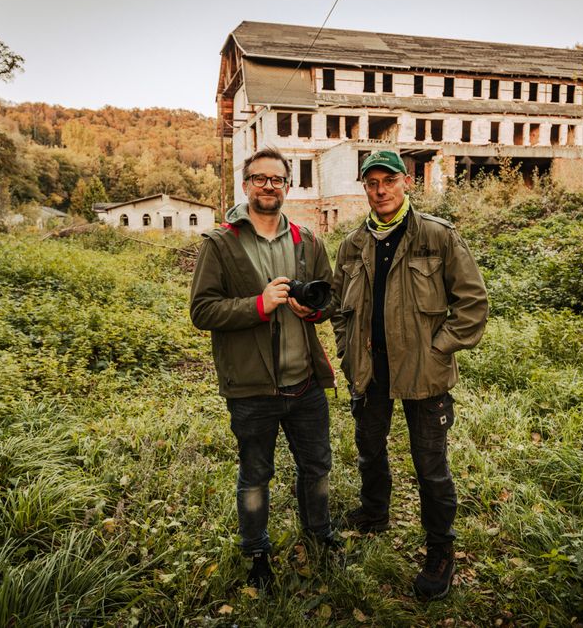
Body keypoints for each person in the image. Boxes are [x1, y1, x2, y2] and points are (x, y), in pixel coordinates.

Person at [331, 150, 488, 601]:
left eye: (388, 180)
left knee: (431, 467)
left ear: (406, 183)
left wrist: (437, 349)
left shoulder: (436, 237)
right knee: (369, 449)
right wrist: (346, 350)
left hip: (425, 372)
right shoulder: (352, 244)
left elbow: (473, 304)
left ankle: (440, 551)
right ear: (364, 187)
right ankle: (374, 512)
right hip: (370, 369)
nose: (379, 190)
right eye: (371, 182)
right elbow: (341, 308)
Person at [190, 147, 338, 590]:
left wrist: (310, 310)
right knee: (255, 474)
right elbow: (202, 310)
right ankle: (256, 552)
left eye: (277, 179)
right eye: (260, 178)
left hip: (305, 383)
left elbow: (327, 299)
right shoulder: (221, 243)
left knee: (317, 467)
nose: (268, 186)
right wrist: (259, 305)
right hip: (252, 388)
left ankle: (320, 536)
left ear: (288, 186)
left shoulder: (307, 241)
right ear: (246, 184)